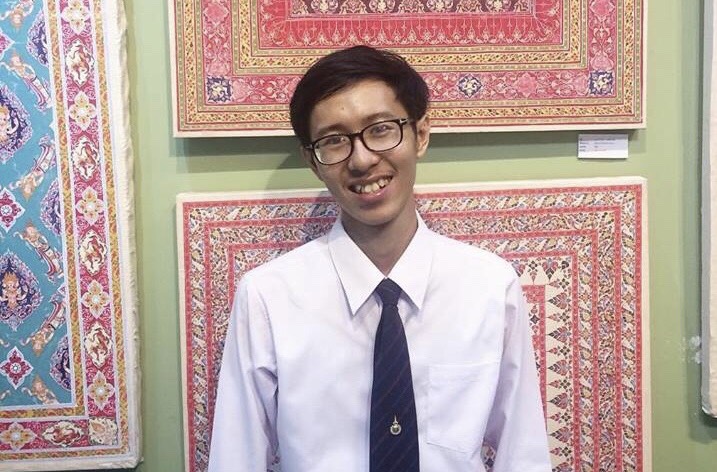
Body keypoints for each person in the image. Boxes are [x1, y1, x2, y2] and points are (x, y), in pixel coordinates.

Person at [208, 46, 552, 472]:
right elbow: (236, 457)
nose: (363, 159)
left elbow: (523, 454)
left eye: (382, 129)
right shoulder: (268, 298)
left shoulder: (490, 287)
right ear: (312, 161)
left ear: (420, 134)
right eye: (334, 141)